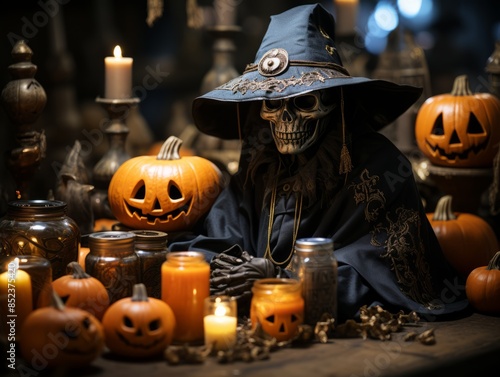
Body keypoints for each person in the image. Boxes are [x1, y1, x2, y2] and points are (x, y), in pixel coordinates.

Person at [169, 3, 469, 322]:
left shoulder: (379, 168)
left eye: (304, 102)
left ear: (335, 101)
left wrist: (286, 281)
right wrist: (223, 268)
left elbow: (385, 274)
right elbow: (220, 234)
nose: (285, 119)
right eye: (273, 104)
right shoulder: (260, 162)